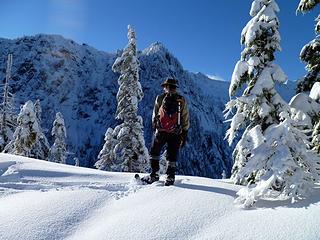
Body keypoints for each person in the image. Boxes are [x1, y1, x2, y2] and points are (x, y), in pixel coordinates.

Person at [142, 78, 189, 186]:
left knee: (154, 152)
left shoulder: (160, 98)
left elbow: (155, 113)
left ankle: (154, 175)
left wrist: (155, 127)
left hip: (161, 131)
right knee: (172, 155)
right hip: (176, 132)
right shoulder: (181, 100)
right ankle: (170, 178)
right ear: (175, 87)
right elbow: (185, 117)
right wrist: (184, 132)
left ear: (165, 87)